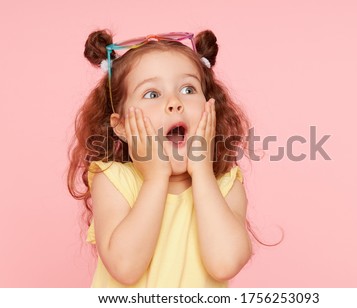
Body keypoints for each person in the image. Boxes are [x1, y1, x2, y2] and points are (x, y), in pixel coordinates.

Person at [68, 29, 252, 287]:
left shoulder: (226, 185)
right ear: (121, 127)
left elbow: (225, 263)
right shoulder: (112, 179)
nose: (174, 102)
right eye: (152, 94)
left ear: (211, 106)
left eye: (188, 89)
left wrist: (201, 171)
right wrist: (155, 178)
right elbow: (125, 268)